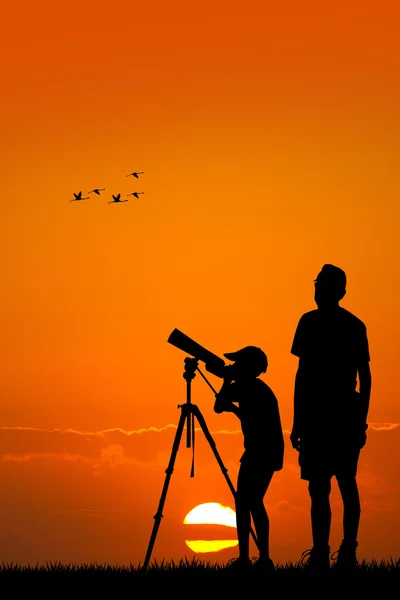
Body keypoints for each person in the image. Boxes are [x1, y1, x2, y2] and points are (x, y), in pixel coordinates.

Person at [290, 264, 372, 575]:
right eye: (317, 286)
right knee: (320, 487)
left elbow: (364, 376)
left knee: (343, 483)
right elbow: (302, 374)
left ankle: (346, 551)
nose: (318, 292)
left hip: (339, 416)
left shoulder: (352, 325)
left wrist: (361, 420)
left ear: (338, 292)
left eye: (322, 287)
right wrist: (298, 421)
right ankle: (322, 552)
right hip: (317, 417)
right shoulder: (309, 322)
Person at [213, 345, 284, 575]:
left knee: (249, 502)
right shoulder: (251, 387)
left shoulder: (251, 388)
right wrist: (228, 382)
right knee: (249, 502)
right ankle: (254, 559)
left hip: (261, 451)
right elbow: (220, 406)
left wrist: (227, 382)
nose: (233, 367)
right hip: (261, 451)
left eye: (237, 364)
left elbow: (220, 406)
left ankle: (257, 559)